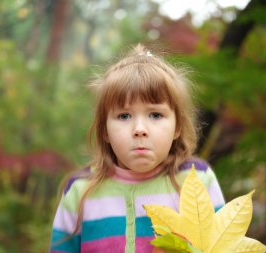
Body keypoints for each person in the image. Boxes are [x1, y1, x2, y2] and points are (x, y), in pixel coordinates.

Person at [49, 44, 225, 253]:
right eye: (124, 116)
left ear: (177, 126)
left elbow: (221, 246)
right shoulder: (81, 190)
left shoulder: (196, 180)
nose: (139, 129)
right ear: (104, 129)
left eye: (155, 115)